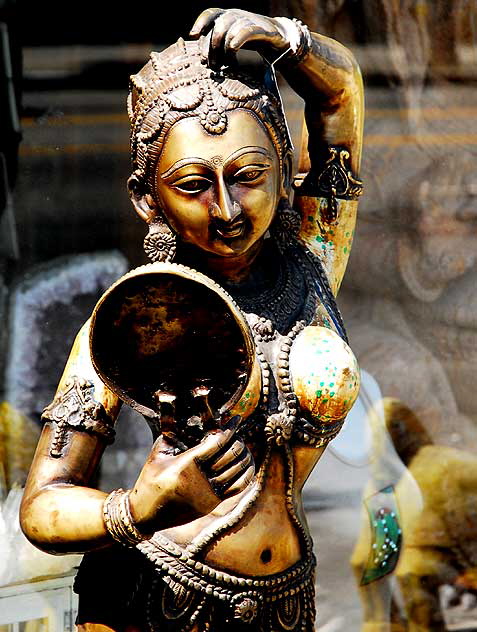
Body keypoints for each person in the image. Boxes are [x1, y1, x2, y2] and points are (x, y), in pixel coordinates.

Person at [20, 8, 363, 631]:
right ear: (148, 197)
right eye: (194, 183)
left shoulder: (313, 265)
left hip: (285, 601)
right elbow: (43, 505)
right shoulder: (134, 319)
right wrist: (139, 505)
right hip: (155, 600)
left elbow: (340, 97)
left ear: (286, 174)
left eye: (249, 176)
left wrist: (286, 39)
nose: (228, 207)